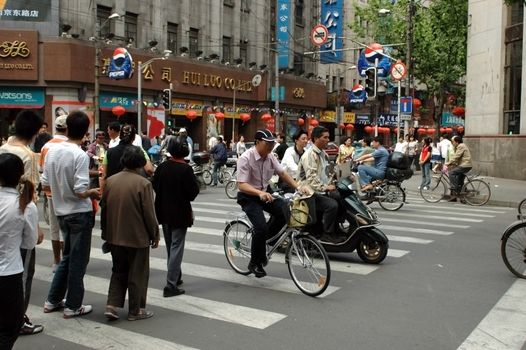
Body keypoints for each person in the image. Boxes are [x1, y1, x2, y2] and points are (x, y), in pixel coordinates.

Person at [42, 110, 101, 319]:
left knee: (67, 258)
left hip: (61, 212)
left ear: (66, 128)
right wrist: (92, 192)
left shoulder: (52, 151)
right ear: (86, 131)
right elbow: (80, 189)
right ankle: (73, 305)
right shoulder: (79, 155)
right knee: (77, 261)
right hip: (79, 213)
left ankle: (53, 300)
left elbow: (45, 183)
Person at [237, 129, 307, 278]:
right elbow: (241, 185)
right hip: (249, 196)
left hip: (265, 193)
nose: (270, 146)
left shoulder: (270, 157)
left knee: (284, 211)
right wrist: (259, 193)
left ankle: (263, 241)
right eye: (267, 143)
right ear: (257, 142)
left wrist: (298, 188)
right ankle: (255, 262)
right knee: (260, 227)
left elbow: (282, 173)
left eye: (272, 143)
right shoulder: (245, 158)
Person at [101, 146, 160, 321]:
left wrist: (105, 232)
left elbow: (104, 209)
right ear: (140, 164)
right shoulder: (144, 184)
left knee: (118, 270)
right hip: (137, 237)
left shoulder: (111, 181)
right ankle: (136, 310)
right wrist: (155, 234)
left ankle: (112, 305)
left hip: (115, 234)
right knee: (138, 273)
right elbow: (149, 213)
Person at [0, 109, 44, 336]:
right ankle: (19, 319)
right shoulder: (28, 155)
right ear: (36, 132)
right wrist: (35, 227)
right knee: (24, 273)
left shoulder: (3, 148)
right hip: (19, 216)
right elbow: (30, 193)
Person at [152, 135, 199, 297]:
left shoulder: (162, 167)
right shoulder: (186, 169)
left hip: (163, 212)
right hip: (180, 213)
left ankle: (176, 276)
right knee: (176, 247)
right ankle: (171, 284)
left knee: (171, 246)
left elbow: (155, 185)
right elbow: (193, 193)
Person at [0, 154, 38, 350]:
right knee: (9, 328)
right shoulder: (26, 206)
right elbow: (29, 243)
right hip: (9, 273)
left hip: (10, 271)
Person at [297, 126, 339, 242]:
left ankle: (335, 229)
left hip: (318, 190)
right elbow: (311, 179)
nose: (327, 140)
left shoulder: (323, 154)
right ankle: (327, 234)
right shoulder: (310, 155)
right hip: (308, 193)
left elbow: (329, 171)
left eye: (328, 137)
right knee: (332, 205)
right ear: (316, 138)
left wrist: (340, 174)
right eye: (324, 137)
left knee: (339, 197)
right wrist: (325, 187)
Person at [39, 115, 68, 271]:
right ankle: (65, 260)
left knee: (54, 228)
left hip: (51, 193)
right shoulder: (72, 146)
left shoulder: (46, 147)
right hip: (68, 194)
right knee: (66, 228)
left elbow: (42, 171)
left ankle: (56, 261)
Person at [101, 124, 154, 192]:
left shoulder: (109, 152)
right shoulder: (139, 151)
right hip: (133, 190)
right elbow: (149, 170)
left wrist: (102, 194)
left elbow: (103, 175)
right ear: (134, 137)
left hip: (113, 191)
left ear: (120, 136)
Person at [446, 135, 473, 202]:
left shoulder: (461, 146)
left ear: (457, 142)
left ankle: (455, 188)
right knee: (460, 181)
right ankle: (461, 197)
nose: (452, 143)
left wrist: (448, 163)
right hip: (465, 165)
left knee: (451, 173)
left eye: (453, 142)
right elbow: (458, 158)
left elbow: (456, 156)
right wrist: (452, 163)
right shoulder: (460, 146)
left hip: (465, 165)